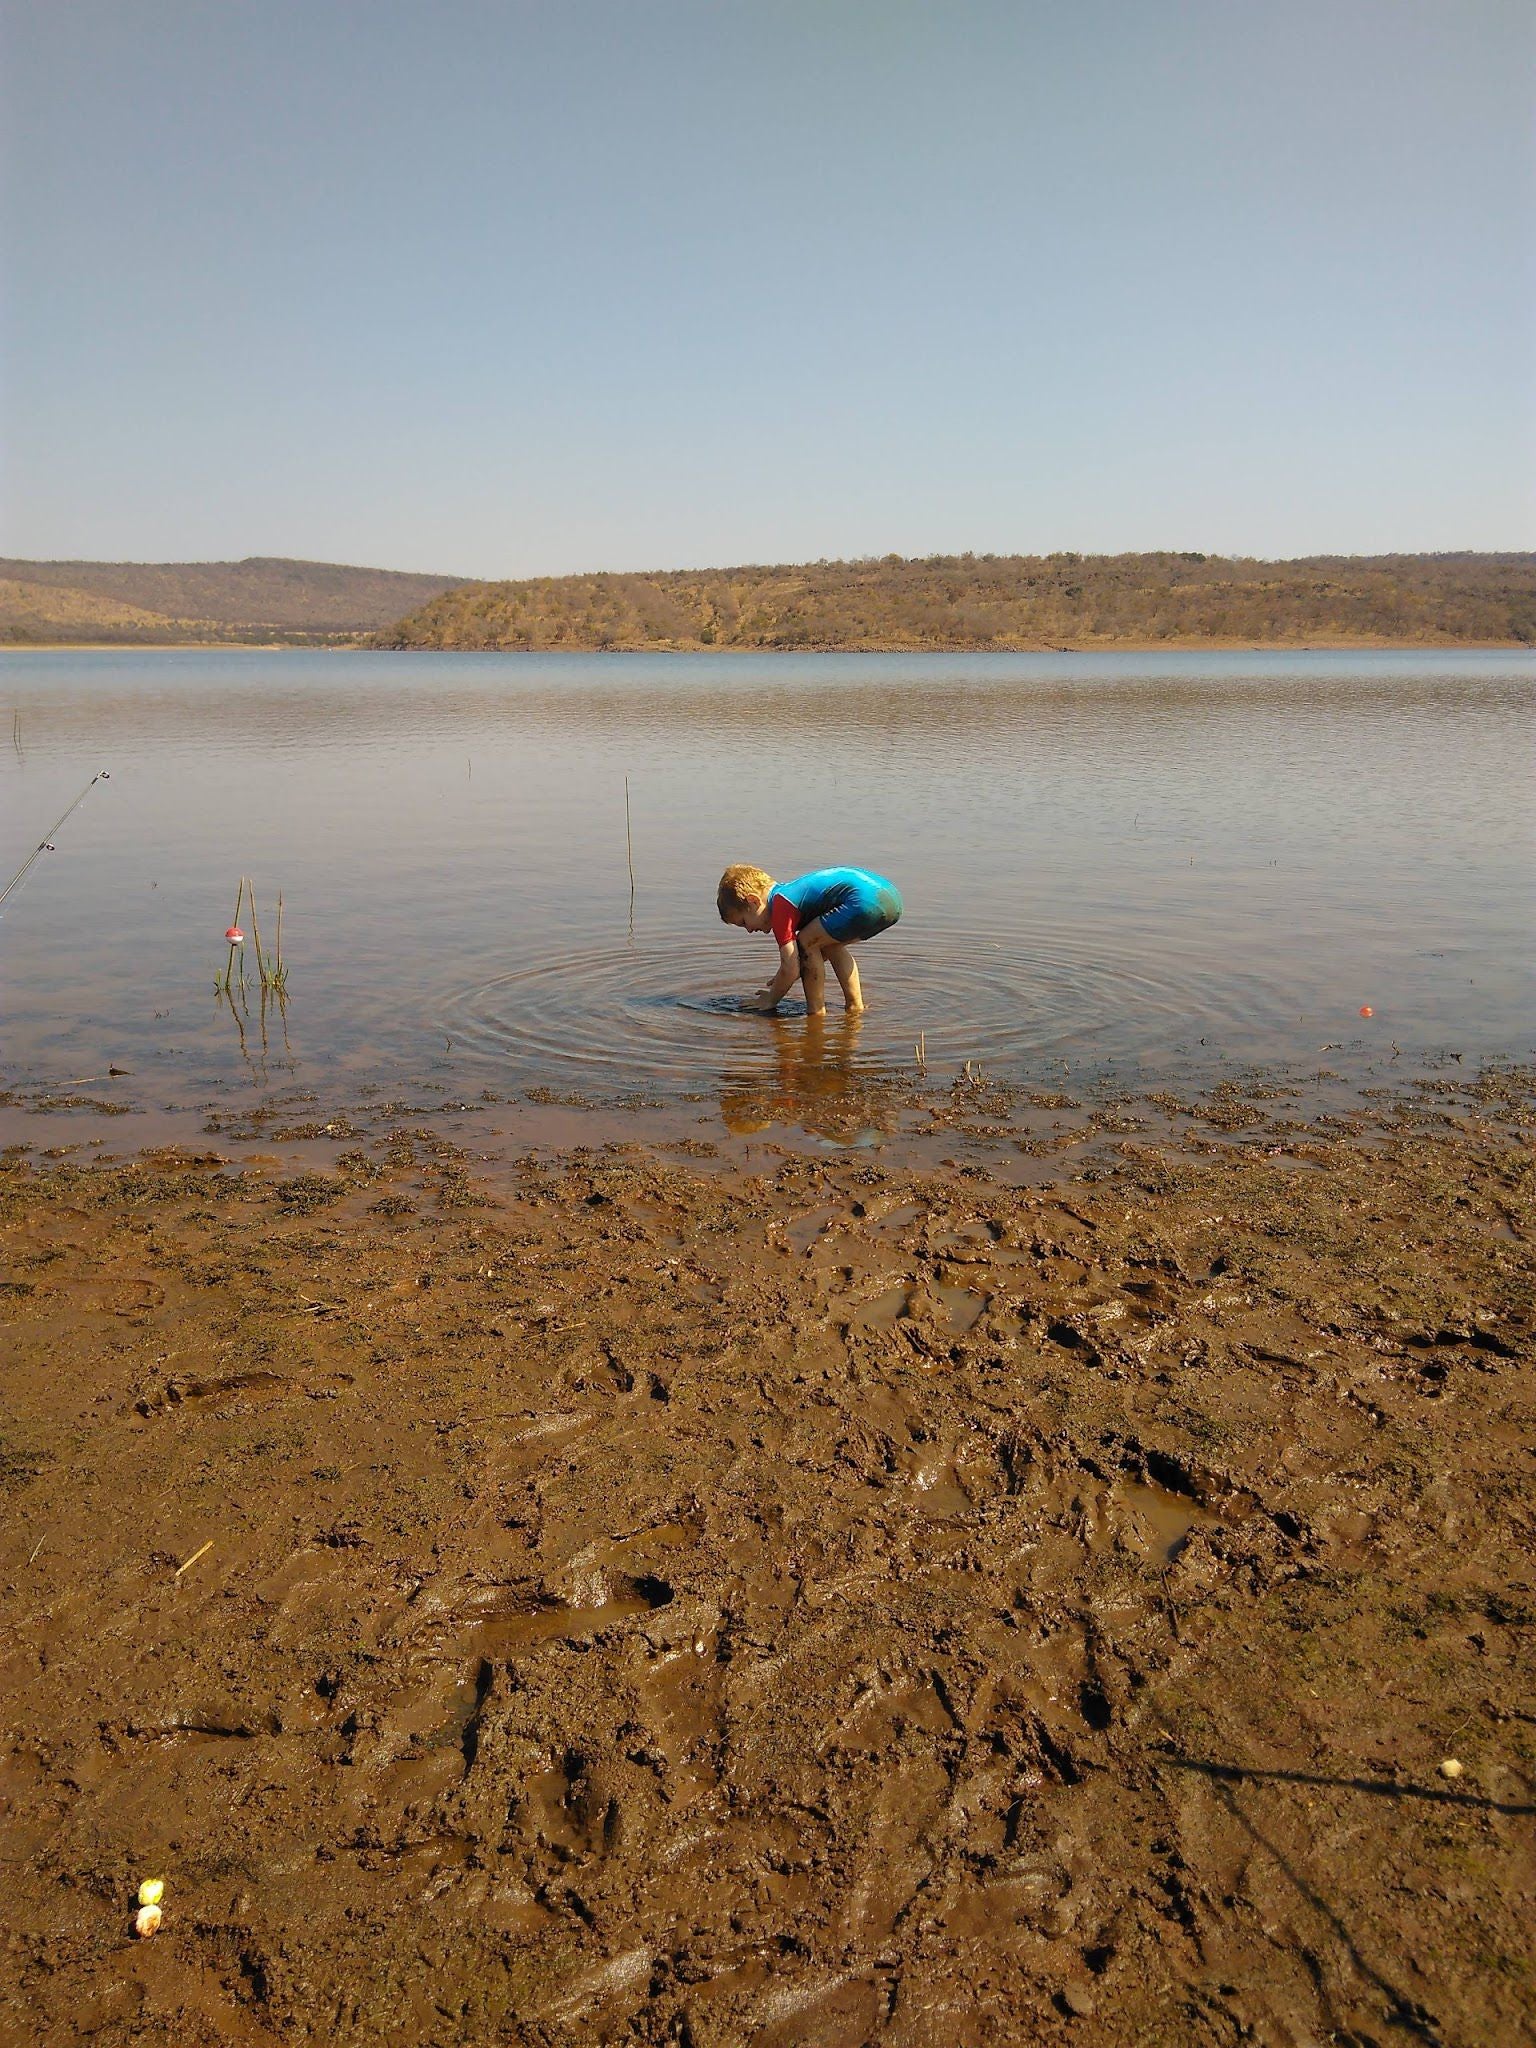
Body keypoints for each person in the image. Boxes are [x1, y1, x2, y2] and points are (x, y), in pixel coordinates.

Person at [716, 863, 903, 1015]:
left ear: (753, 901)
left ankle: (816, 1012)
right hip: (890, 898)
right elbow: (797, 965)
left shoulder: (781, 905)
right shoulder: (788, 894)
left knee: (806, 941)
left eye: (743, 922)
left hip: (863, 900)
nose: (749, 930)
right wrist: (786, 973)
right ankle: (855, 1006)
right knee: (828, 945)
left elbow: (791, 967)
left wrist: (771, 998)